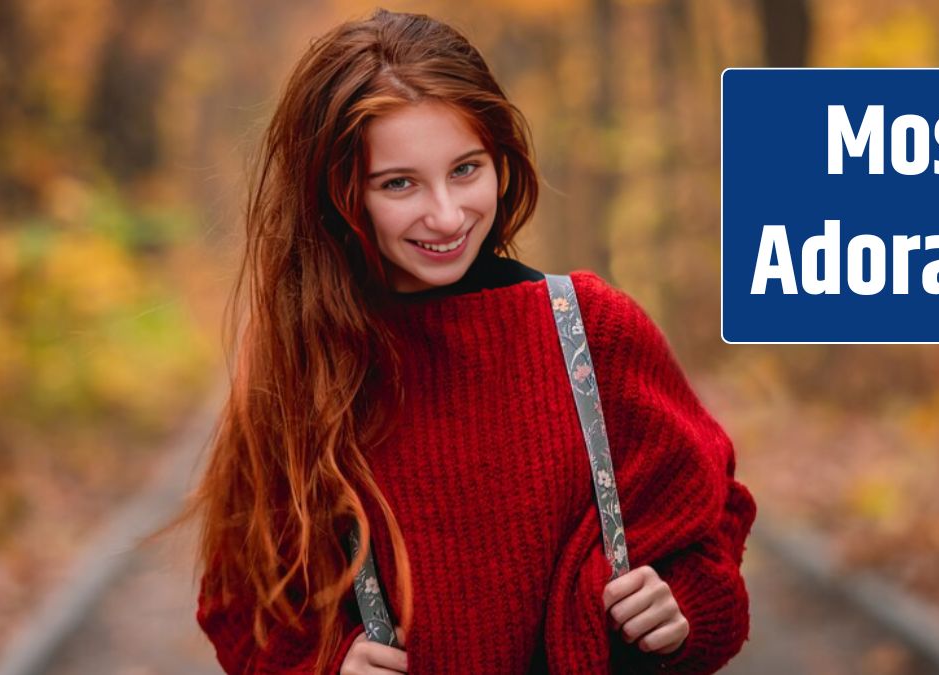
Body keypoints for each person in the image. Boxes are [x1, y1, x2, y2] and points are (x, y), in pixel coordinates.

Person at [180, 8, 756, 674]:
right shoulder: (302, 363)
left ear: (500, 157)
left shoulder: (592, 330)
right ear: (338, 193)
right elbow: (240, 602)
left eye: (465, 169)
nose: (448, 214)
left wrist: (679, 610)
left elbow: (714, 531)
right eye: (399, 183)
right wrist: (326, 666)